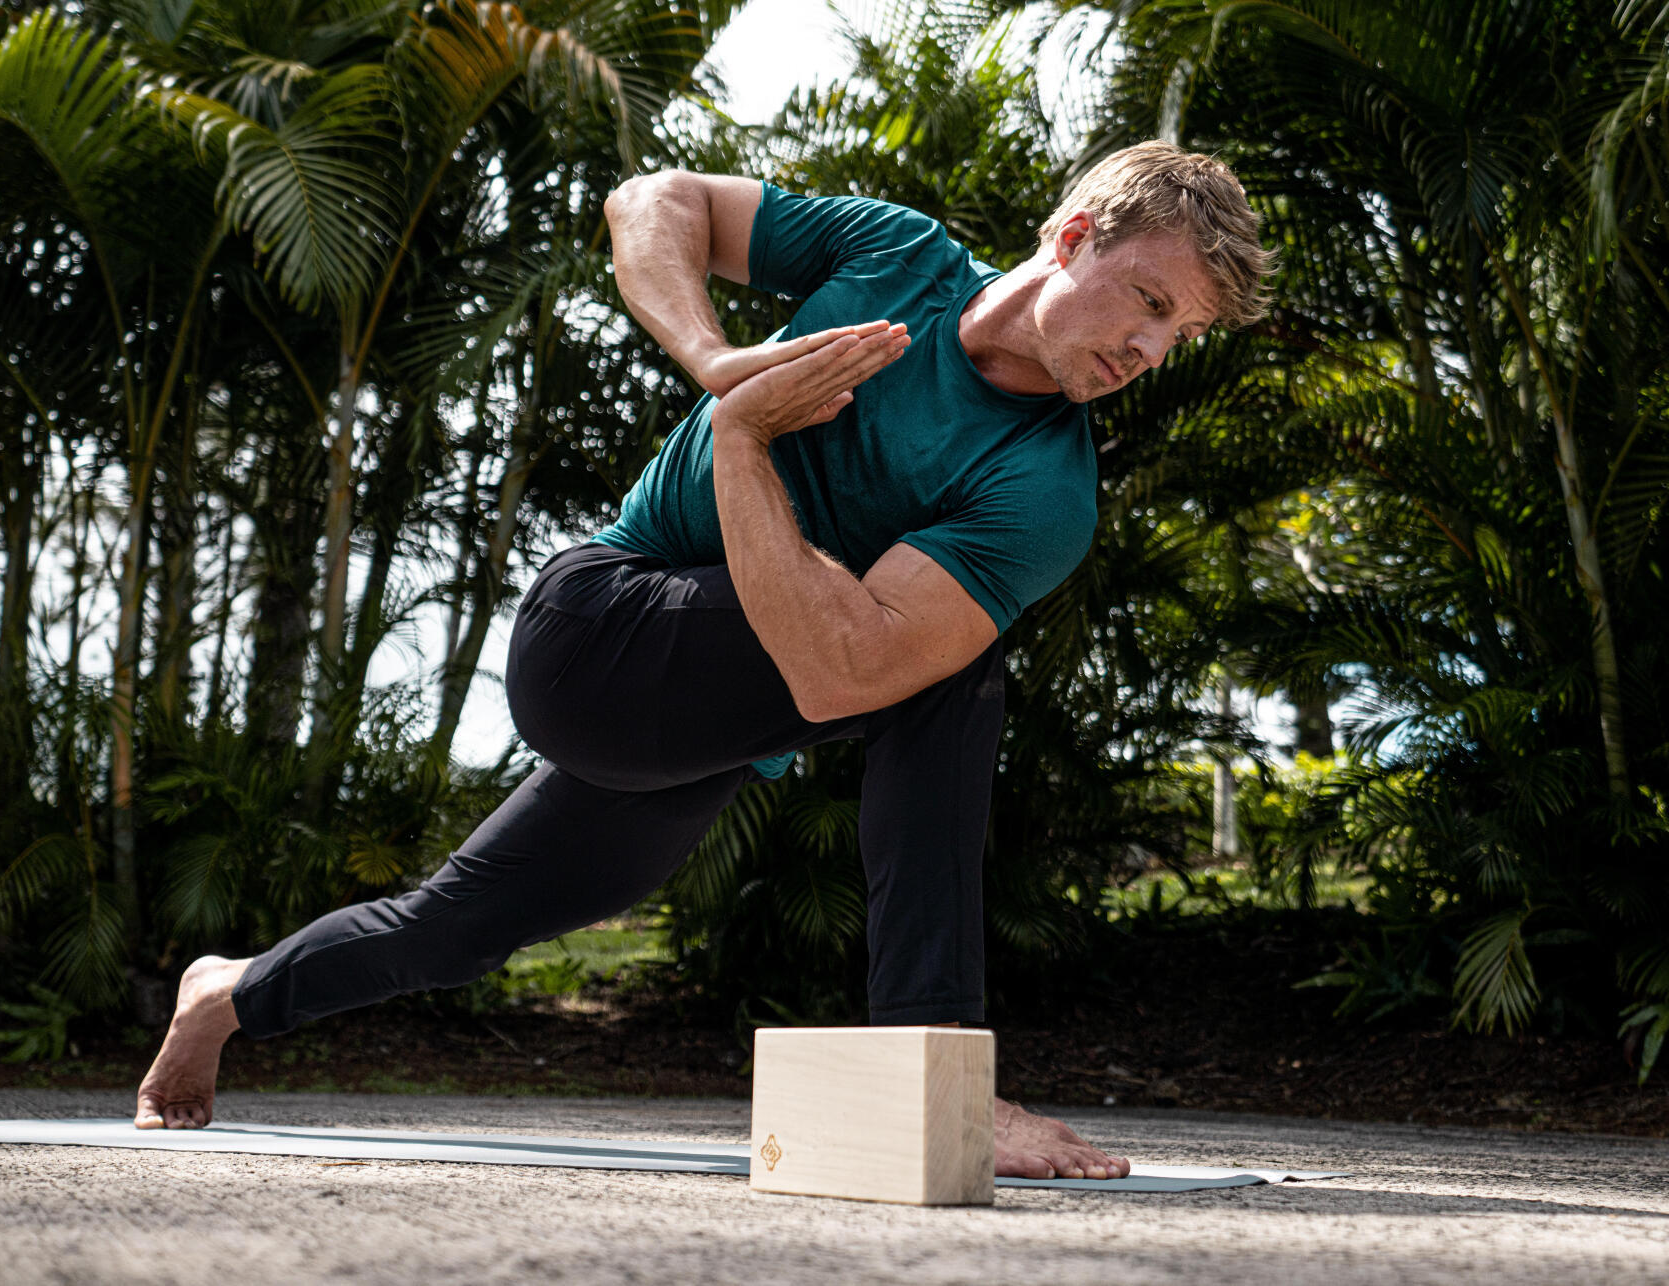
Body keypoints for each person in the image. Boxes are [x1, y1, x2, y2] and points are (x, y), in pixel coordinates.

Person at [134, 140, 1273, 1182]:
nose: (1151, 350)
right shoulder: (899, 257)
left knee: (456, 925)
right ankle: (945, 1076)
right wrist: (721, 369)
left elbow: (838, 675)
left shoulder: (1046, 489)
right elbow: (653, 200)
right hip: (598, 633)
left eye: (1182, 336)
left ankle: (227, 991)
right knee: (958, 681)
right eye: (1152, 302)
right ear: (1074, 240)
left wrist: (745, 446)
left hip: (713, 725)